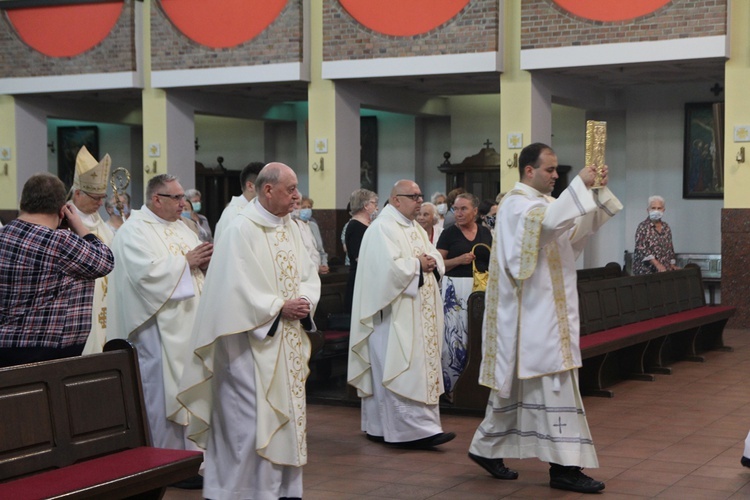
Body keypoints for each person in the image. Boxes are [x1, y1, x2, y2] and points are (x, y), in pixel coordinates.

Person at [467, 143, 622, 493]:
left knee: (518, 388)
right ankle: (565, 468)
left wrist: (594, 193)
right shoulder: (516, 205)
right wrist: (579, 186)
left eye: (557, 171)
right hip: (531, 316)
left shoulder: (545, 204)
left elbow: (573, 232)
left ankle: (486, 447)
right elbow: (550, 224)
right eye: (550, 170)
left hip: (548, 312)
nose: (555, 176)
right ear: (528, 171)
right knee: (555, 387)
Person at [177, 163, 320, 500]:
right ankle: (237, 491)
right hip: (246, 346)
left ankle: (283, 489)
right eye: (291, 189)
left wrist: (303, 299)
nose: (297, 196)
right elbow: (234, 288)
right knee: (249, 421)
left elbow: (308, 274)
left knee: (284, 415)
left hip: (284, 339)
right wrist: (276, 307)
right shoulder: (241, 229)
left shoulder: (294, 228)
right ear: (267, 190)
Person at [107, 174, 213, 452]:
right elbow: (145, 276)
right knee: (162, 393)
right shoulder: (134, 231)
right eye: (177, 197)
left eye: (183, 198)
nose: (183, 204)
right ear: (156, 199)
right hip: (156, 332)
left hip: (191, 326)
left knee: (193, 387)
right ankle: (169, 458)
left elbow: (196, 272)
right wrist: (185, 262)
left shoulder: (185, 229)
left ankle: (196, 455)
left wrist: (203, 266)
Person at [348, 180, 454, 448]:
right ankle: (410, 431)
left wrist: (430, 262)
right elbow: (384, 272)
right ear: (396, 200)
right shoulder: (382, 228)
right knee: (399, 368)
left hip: (417, 312)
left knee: (414, 366)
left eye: (420, 196)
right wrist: (417, 264)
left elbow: (435, 257)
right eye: (414, 196)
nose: (419, 201)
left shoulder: (415, 228)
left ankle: (382, 427)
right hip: (392, 316)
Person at [0, 173, 114, 367]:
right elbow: (105, 260)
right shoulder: (60, 242)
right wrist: (79, 227)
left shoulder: (4, 234)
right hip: (46, 352)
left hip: (5, 347)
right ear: (62, 210)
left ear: (22, 202)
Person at [436, 193, 492, 395]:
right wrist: (458, 260)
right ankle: (454, 389)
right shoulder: (449, 234)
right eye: (455, 209)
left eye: (463, 209)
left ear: (475, 212)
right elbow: (438, 264)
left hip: (481, 289)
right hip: (456, 290)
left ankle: (478, 387)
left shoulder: (485, 232)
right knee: (456, 337)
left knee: (478, 336)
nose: (458, 213)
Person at [66, 146, 116, 356]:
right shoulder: (63, 221)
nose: (101, 203)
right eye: (95, 197)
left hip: (106, 301)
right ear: (78, 193)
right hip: (79, 308)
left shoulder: (102, 225)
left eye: (103, 197)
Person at [344, 189, 378, 313]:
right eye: (374, 203)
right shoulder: (355, 226)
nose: (376, 207)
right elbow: (359, 256)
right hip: (360, 277)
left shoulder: (369, 224)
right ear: (366, 205)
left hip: (370, 277)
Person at [214, 161, 264, 242]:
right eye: (265, 187)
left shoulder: (256, 210)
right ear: (250, 186)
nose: (269, 191)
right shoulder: (233, 214)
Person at [632, 195, 678, 274]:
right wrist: (657, 264)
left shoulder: (666, 227)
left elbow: (670, 248)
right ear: (648, 210)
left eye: (659, 208)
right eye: (653, 208)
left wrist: (672, 264)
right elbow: (642, 249)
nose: (656, 210)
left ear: (663, 210)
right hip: (646, 272)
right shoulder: (643, 227)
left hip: (664, 272)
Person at [300, 196, 329, 274]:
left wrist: (324, 264)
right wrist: (315, 268)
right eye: (303, 207)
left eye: (309, 207)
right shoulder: (295, 226)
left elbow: (321, 250)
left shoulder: (313, 225)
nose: (307, 210)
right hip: (306, 271)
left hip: (319, 271)